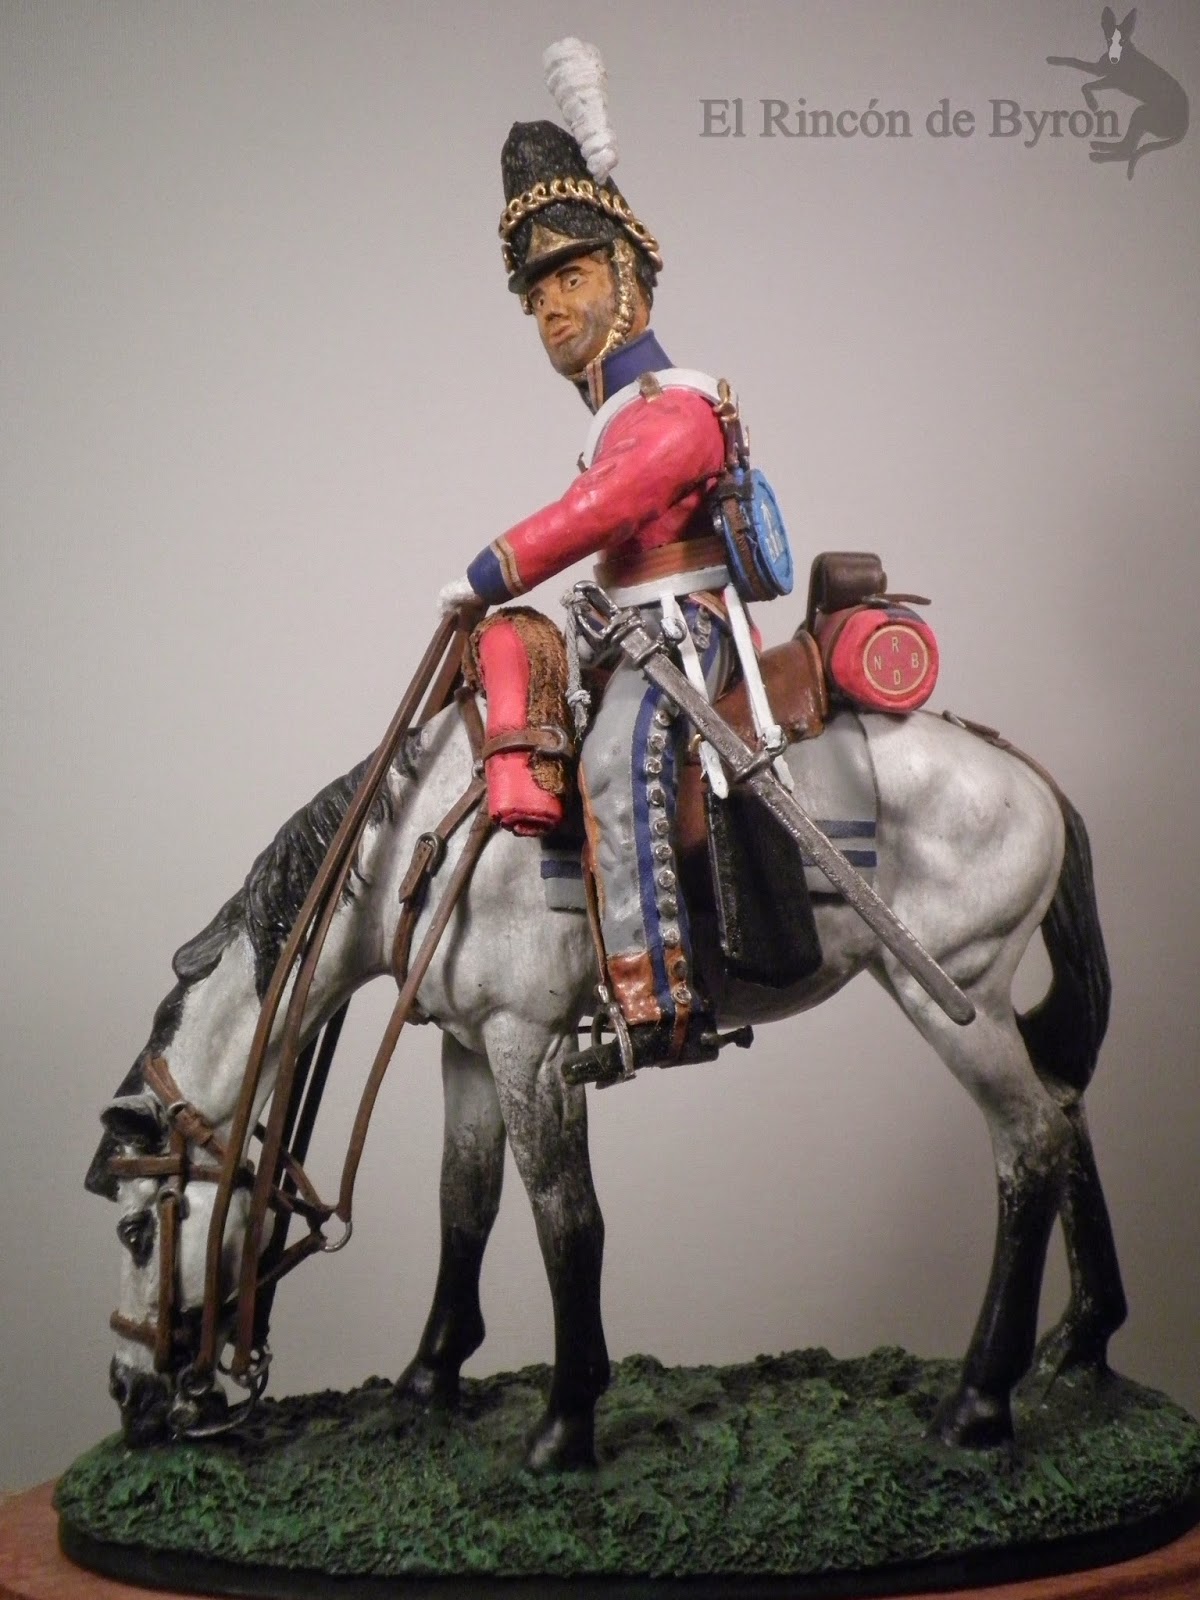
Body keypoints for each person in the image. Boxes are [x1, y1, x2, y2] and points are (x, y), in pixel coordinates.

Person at [439, 103, 768, 1075]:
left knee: (619, 762)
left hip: (681, 629)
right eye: (537, 294)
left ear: (626, 277)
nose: (550, 308)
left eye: (572, 278)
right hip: (630, 630)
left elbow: (603, 509)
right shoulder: (622, 415)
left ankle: (658, 1002)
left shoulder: (675, 411)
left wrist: (488, 571)